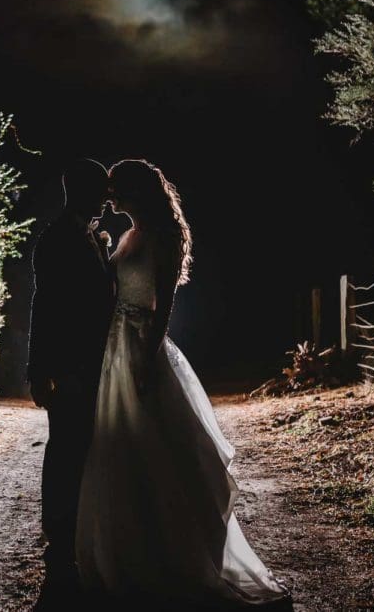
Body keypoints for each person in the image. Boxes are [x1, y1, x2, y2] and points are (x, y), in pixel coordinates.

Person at [75, 159, 291, 609]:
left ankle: (175, 558)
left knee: (159, 450)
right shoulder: (127, 236)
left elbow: (165, 301)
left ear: (137, 191)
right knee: (121, 447)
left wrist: (148, 358)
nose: (109, 195)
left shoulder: (165, 238)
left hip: (141, 345)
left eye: (116, 188)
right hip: (115, 346)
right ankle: (129, 555)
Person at [27, 159, 115, 601]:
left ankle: (78, 539)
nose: (107, 199)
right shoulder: (59, 238)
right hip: (68, 368)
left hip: (95, 365)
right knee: (64, 451)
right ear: (82, 191)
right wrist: (40, 372)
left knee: (82, 451)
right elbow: (44, 309)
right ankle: (60, 547)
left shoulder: (89, 235)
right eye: (102, 190)